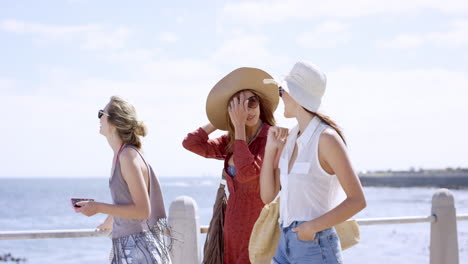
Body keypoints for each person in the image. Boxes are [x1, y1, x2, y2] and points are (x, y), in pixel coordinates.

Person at [260, 62, 366, 264]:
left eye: (281, 90)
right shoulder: (291, 138)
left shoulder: (326, 139)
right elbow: (267, 195)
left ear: (296, 95)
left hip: (313, 243)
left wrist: (310, 229)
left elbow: (357, 200)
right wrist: (270, 149)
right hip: (284, 242)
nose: (279, 96)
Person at [182, 67, 279, 264]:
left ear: (261, 103)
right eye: (238, 105)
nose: (246, 110)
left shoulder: (270, 137)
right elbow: (191, 143)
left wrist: (240, 127)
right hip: (232, 229)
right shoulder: (232, 140)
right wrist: (219, 120)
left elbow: (246, 172)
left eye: (251, 102)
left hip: (258, 228)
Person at [76, 96, 171, 264]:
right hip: (130, 248)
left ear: (113, 122)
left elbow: (142, 210)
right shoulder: (122, 154)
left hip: (138, 250)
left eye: (101, 113)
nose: (99, 118)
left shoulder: (127, 156)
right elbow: (128, 199)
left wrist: (98, 207)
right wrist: (110, 220)